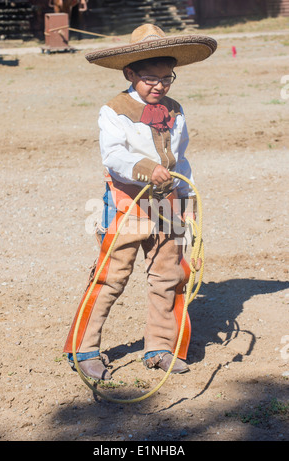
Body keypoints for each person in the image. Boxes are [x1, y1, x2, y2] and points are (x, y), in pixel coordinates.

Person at [64, 24, 217, 380]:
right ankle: (83, 348)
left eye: (167, 78)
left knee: (169, 275)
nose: (159, 86)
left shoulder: (175, 111)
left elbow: (180, 159)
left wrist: (188, 196)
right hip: (127, 202)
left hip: (167, 204)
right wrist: (146, 168)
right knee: (111, 276)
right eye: (150, 78)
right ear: (130, 73)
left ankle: (161, 346)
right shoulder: (114, 110)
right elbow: (113, 155)